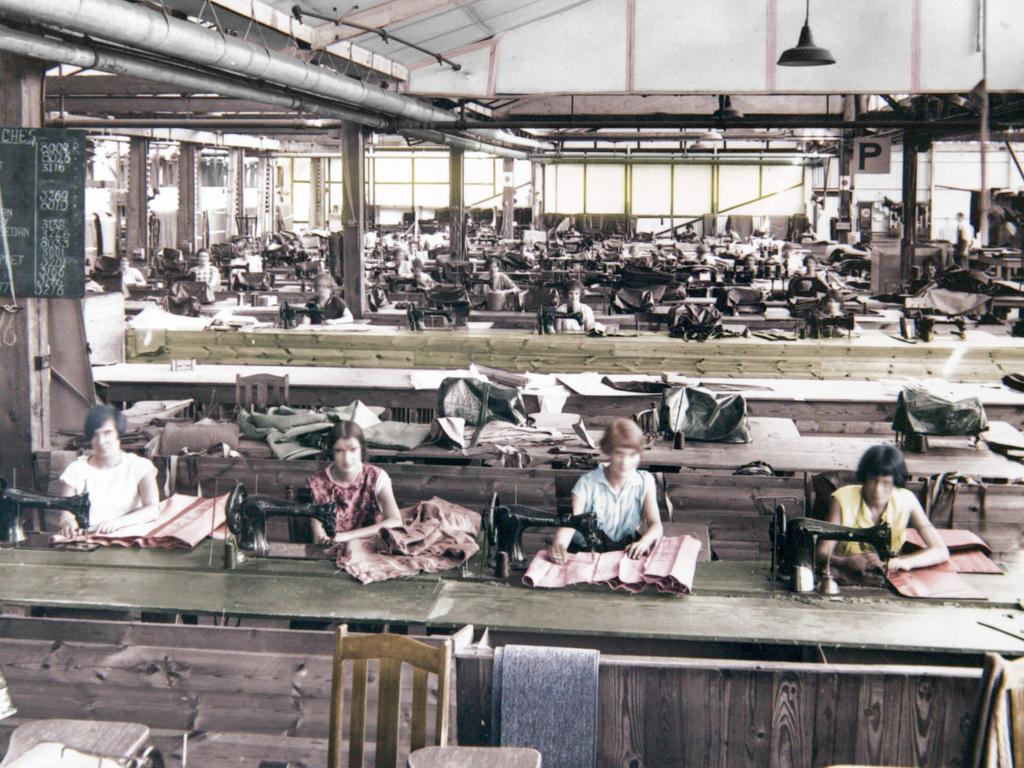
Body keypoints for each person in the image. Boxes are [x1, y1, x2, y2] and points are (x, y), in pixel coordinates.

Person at [818, 445, 949, 575]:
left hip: (889, 574)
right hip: (844, 573)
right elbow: (822, 552)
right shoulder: (842, 500)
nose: (877, 490)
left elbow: (940, 551)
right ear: (864, 478)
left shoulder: (906, 500)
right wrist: (844, 561)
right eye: (873, 481)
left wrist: (902, 563)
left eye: (886, 483)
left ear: (895, 482)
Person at [548, 418, 663, 563]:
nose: (625, 462)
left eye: (632, 455)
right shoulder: (587, 483)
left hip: (625, 551)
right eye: (619, 454)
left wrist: (645, 541)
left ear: (640, 454)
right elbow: (571, 524)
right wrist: (559, 545)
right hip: (587, 551)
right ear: (608, 451)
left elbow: (655, 524)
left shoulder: (645, 481)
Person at [58, 405, 160, 536]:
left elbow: (152, 510)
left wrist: (116, 523)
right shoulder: (76, 469)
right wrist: (67, 523)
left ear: (119, 433)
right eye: (95, 435)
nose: (101, 441)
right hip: (88, 540)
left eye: (107, 433)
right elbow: (66, 513)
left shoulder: (140, 467)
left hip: (130, 541)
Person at [306, 421, 403, 547]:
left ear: (362, 449)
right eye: (339, 451)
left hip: (372, 548)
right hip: (333, 550)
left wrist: (347, 536)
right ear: (331, 452)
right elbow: (318, 531)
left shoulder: (376, 477)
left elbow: (395, 521)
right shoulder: (317, 483)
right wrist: (322, 537)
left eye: (353, 450)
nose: (347, 459)